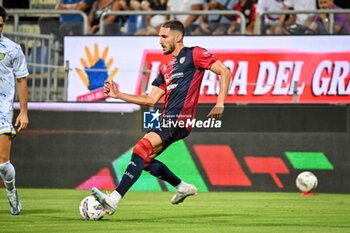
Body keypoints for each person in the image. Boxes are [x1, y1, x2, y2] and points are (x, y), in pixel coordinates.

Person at [92, 19, 231, 215]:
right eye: (159, 37)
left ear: (178, 37)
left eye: (164, 36)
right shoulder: (165, 69)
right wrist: (119, 95)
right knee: (145, 160)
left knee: (140, 148)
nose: (160, 41)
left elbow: (224, 71)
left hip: (180, 119)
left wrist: (220, 102)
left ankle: (114, 199)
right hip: (167, 121)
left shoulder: (195, 54)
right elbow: (150, 100)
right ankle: (182, 187)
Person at [0, 6, 29, 215]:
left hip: (3, 110)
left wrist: (24, 111)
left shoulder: (12, 49)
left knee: (2, 164)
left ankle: (11, 193)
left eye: (0, 25)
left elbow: (22, 80)